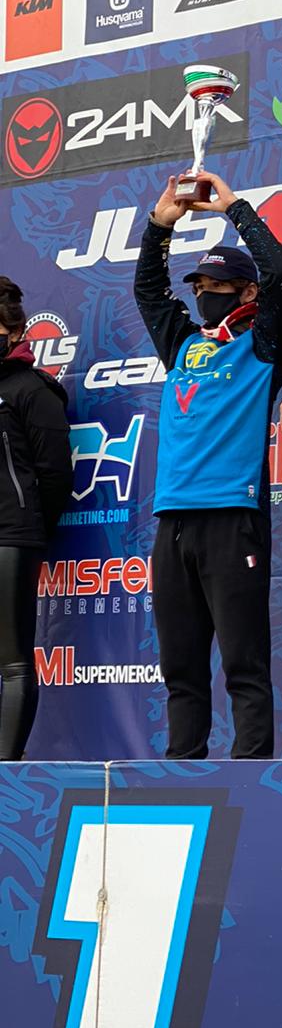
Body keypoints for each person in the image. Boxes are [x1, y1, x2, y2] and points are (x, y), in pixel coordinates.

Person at [135, 172, 282, 759]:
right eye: (201, 285)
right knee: (180, 668)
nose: (207, 294)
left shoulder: (264, 346)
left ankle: (251, 781)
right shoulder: (184, 343)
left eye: (219, 286)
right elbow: (150, 291)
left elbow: (280, 275)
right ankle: (184, 770)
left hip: (234, 517)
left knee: (243, 665)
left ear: (246, 293)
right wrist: (159, 225)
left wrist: (234, 209)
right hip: (173, 522)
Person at [0, 277, 72, 760]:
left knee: (12, 662)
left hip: (11, 536)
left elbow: (54, 474)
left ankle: (5, 772)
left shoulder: (32, 389)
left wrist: (30, 526)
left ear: (12, 331)